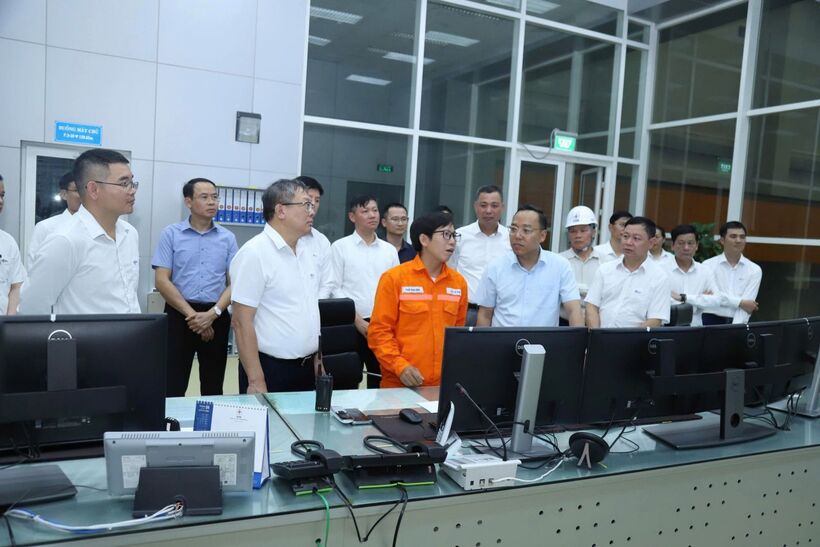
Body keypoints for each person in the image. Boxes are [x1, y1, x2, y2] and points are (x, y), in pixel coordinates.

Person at [20, 149, 140, 315]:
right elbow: (31, 308)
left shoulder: (130, 233)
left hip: (131, 331)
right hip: (82, 334)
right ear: (93, 190)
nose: (132, 190)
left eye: (132, 183)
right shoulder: (65, 240)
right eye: (124, 184)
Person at [229, 179, 321, 394]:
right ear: (281, 211)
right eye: (306, 204)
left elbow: (309, 312)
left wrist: (318, 361)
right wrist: (255, 380)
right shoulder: (254, 253)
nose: (312, 211)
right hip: (270, 369)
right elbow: (241, 322)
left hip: (307, 367)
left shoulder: (307, 250)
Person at [152, 178, 238, 397]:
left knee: (213, 384)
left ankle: (209, 421)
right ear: (188, 202)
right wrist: (195, 317)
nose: (212, 202)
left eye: (215, 197)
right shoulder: (171, 234)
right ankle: (172, 420)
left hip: (216, 314)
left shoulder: (228, 238)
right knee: (173, 383)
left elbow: (235, 283)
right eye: (204, 197)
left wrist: (212, 314)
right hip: (179, 314)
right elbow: (161, 280)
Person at [369, 211, 468, 388]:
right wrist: (400, 367)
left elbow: (458, 336)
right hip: (399, 383)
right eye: (446, 234)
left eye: (454, 235)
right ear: (424, 240)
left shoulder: (458, 283)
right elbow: (379, 333)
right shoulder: (395, 279)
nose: (452, 241)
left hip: (441, 385)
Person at [331, 196, 399, 388]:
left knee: (380, 378)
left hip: (382, 326)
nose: (372, 215)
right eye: (365, 211)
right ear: (352, 217)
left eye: (375, 210)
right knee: (347, 380)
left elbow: (396, 288)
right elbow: (334, 288)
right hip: (350, 324)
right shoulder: (340, 247)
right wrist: (358, 320)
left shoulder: (389, 250)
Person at [476, 205, 582, 327]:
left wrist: (577, 337)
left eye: (526, 230)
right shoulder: (495, 267)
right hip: (503, 338)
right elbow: (485, 314)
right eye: (513, 229)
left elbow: (573, 311)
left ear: (542, 236)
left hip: (543, 339)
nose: (517, 236)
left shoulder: (560, 266)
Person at [585, 216, 671, 328]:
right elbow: (591, 306)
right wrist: (596, 334)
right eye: (625, 236)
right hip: (600, 335)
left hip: (636, 338)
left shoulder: (659, 277)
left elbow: (655, 320)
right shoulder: (605, 269)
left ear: (651, 243)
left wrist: (628, 337)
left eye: (636, 238)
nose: (629, 242)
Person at [448, 185, 511, 326]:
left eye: (494, 205)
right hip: (467, 311)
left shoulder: (511, 238)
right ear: (475, 206)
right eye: (483, 205)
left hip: (501, 312)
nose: (488, 210)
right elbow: (450, 271)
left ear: (502, 207)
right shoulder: (459, 236)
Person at [701, 221, 761, 325]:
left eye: (742, 237)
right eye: (733, 236)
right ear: (722, 240)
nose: (738, 240)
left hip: (738, 322)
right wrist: (740, 302)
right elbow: (709, 298)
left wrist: (735, 328)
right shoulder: (707, 265)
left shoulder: (754, 269)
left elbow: (747, 307)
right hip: (709, 320)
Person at [559, 205, 609, 321]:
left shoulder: (606, 262)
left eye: (583, 230)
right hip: (565, 323)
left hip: (597, 323)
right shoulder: (559, 261)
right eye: (573, 231)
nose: (578, 235)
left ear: (593, 232)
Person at [666, 224, 721, 326]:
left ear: (697, 246)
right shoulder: (661, 270)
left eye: (690, 243)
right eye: (681, 243)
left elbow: (716, 301)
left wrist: (683, 298)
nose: (686, 248)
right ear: (672, 245)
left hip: (696, 328)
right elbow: (661, 302)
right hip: (668, 328)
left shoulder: (705, 271)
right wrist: (699, 302)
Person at [26, 171, 81, 269]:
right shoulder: (46, 227)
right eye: (77, 190)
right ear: (64, 194)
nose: (84, 195)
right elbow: (33, 266)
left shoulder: (99, 227)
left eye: (87, 190)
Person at [295, 175, 334, 299]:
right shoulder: (279, 238)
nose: (313, 204)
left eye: (317, 200)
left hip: (315, 308)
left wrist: (313, 306)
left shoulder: (322, 241)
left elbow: (327, 283)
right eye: (308, 199)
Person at [0, 174, 25, 315]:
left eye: (2, 195)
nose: (0, 201)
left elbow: (16, 287)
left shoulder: (7, 241)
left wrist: (9, 321)